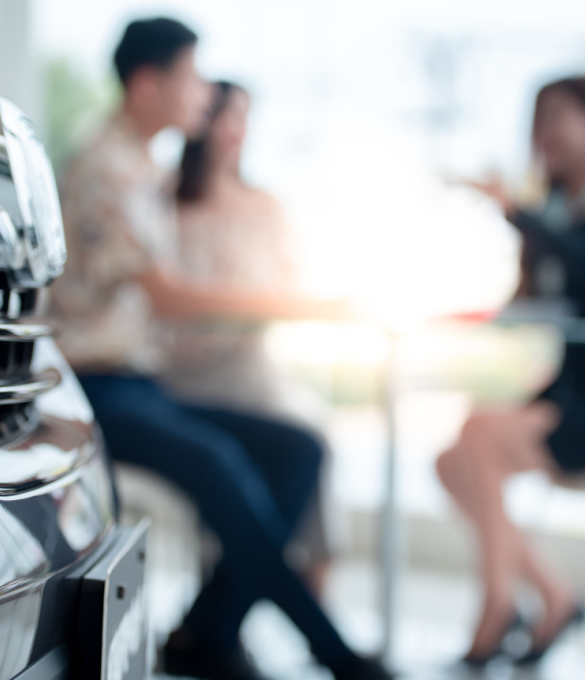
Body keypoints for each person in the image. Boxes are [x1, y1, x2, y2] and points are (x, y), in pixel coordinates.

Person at [47, 18, 388, 680]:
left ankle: (207, 629)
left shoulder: (144, 167)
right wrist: (298, 304)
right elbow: (167, 295)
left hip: (143, 384)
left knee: (301, 448)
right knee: (220, 461)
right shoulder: (103, 168)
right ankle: (334, 652)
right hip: (96, 385)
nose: (205, 95)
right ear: (148, 84)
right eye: (193, 77)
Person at [437, 76, 585, 667]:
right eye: (540, 119)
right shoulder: (551, 211)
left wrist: (517, 212)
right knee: (451, 464)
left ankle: (498, 606)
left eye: (561, 117)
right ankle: (555, 595)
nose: (548, 132)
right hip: (573, 392)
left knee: (477, 438)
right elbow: (535, 298)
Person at [162, 80, 336, 594]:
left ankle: (310, 593)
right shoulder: (160, 200)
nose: (235, 131)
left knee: (310, 434)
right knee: (262, 450)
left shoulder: (264, 207)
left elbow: (289, 291)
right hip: (177, 375)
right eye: (223, 117)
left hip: (251, 368)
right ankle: (230, 614)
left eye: (243, 118)